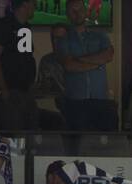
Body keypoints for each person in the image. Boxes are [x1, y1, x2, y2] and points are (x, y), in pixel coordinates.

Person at [53, 0, 116, 131]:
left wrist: (78, 59)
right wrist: (97, 64)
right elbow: (69, 65)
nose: (77, 14)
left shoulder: (100, 36)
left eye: (80, 10)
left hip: (100, 100)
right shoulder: (63, 39)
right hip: (75, 102)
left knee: (103, 144)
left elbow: (108, 56)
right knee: (77, 145)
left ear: (86, 11)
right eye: (73, 11)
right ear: (67, 14)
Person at [0, 0, 39, 130]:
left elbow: (27, 58)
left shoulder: (26, 27)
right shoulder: (3, 25)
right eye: (34, 4)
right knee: (14, 134)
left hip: (24, 91)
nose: (35, 7)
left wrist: (30, 86)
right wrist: (3, 89)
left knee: (29, 133)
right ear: (25, 4)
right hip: (9, 91)